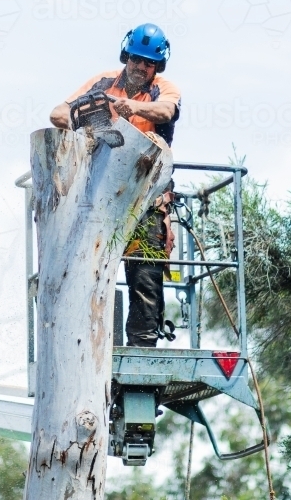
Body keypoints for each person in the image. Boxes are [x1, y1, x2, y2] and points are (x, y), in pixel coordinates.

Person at [49, 23, 181, 347]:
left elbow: (167, 110)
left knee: (145, 269)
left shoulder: (164, 90)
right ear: (127, 56)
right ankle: (82, 340)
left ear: (157, 66)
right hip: (101, 196)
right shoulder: (104, 83)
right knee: (86, 268)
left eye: (148, 62)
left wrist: (134, 108)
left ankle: (142, 347)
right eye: (136, 59)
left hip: (147, 198)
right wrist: (91, 119)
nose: (140, 66)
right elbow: (57, 113)